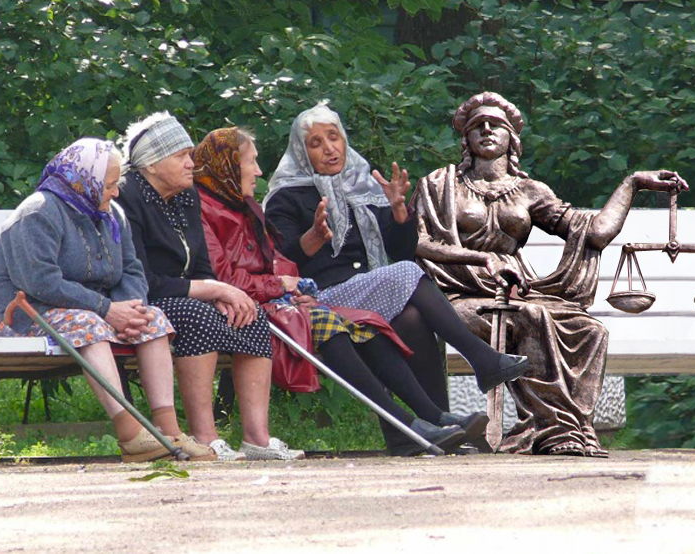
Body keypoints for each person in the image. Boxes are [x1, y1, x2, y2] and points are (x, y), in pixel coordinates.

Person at [411, 91, 689, 457]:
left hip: (515, 292)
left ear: (513, 139)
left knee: (590, 329)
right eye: (478, 125)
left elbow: (594, 233)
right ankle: (553, 430)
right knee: (531, 316)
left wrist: (632, 184)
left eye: (497, 124)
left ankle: (566, 429)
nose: (488, 129)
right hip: (457, 297)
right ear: (466, 139)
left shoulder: (530, 191)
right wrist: (481, 259)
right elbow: (418, 243)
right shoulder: (439, 186)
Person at [191, 127, 479, 453]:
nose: (258, 171)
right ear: (228, 165)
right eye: (251, 162)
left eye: (335, 138)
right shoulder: (207, 210)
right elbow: (223, 277)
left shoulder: (245, 205)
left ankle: (430, 419)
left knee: (367, 323)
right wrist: (282, 283)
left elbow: (277, 259)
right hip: (248, 305)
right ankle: (410, 425)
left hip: (290, 299)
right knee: (340, 318)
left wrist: (295, 285)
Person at [264, 104, 529, 455]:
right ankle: (482, 360)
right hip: (320, 299)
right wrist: (312, 238)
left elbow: (402, 253)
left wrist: (400, 215)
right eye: (315, 142)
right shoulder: (286, 196)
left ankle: (434, 429)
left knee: (412, 318)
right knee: (404, 277)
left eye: (334, 137)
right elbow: (282, 261)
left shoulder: (363, 184)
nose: (329, 148)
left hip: (367, 293)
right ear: (301, 151)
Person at [0, 138, 214, 462]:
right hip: (21, 312)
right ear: (82, 181)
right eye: (110, 185)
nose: (116, 193)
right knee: (87, 322)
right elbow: (41, 282)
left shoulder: (112, 213)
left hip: (89, 309)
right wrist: (106, 309)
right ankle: (130, 434)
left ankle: (168, 432)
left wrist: (131, 308)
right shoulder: (38, 212)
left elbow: (131, 269)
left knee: (152, 318)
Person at [116, 112, 303, 461]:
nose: (192, 164)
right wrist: (214, 291)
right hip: (144, 299)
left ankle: (257, 439)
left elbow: (202, 266)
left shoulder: (187, 196)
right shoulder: (128, 196)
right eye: (181, 156)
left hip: (188, 292)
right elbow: (144, 282)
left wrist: (224, 294)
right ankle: (205, 435)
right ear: (152, 165)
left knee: (249, 313)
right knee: (197, 316)